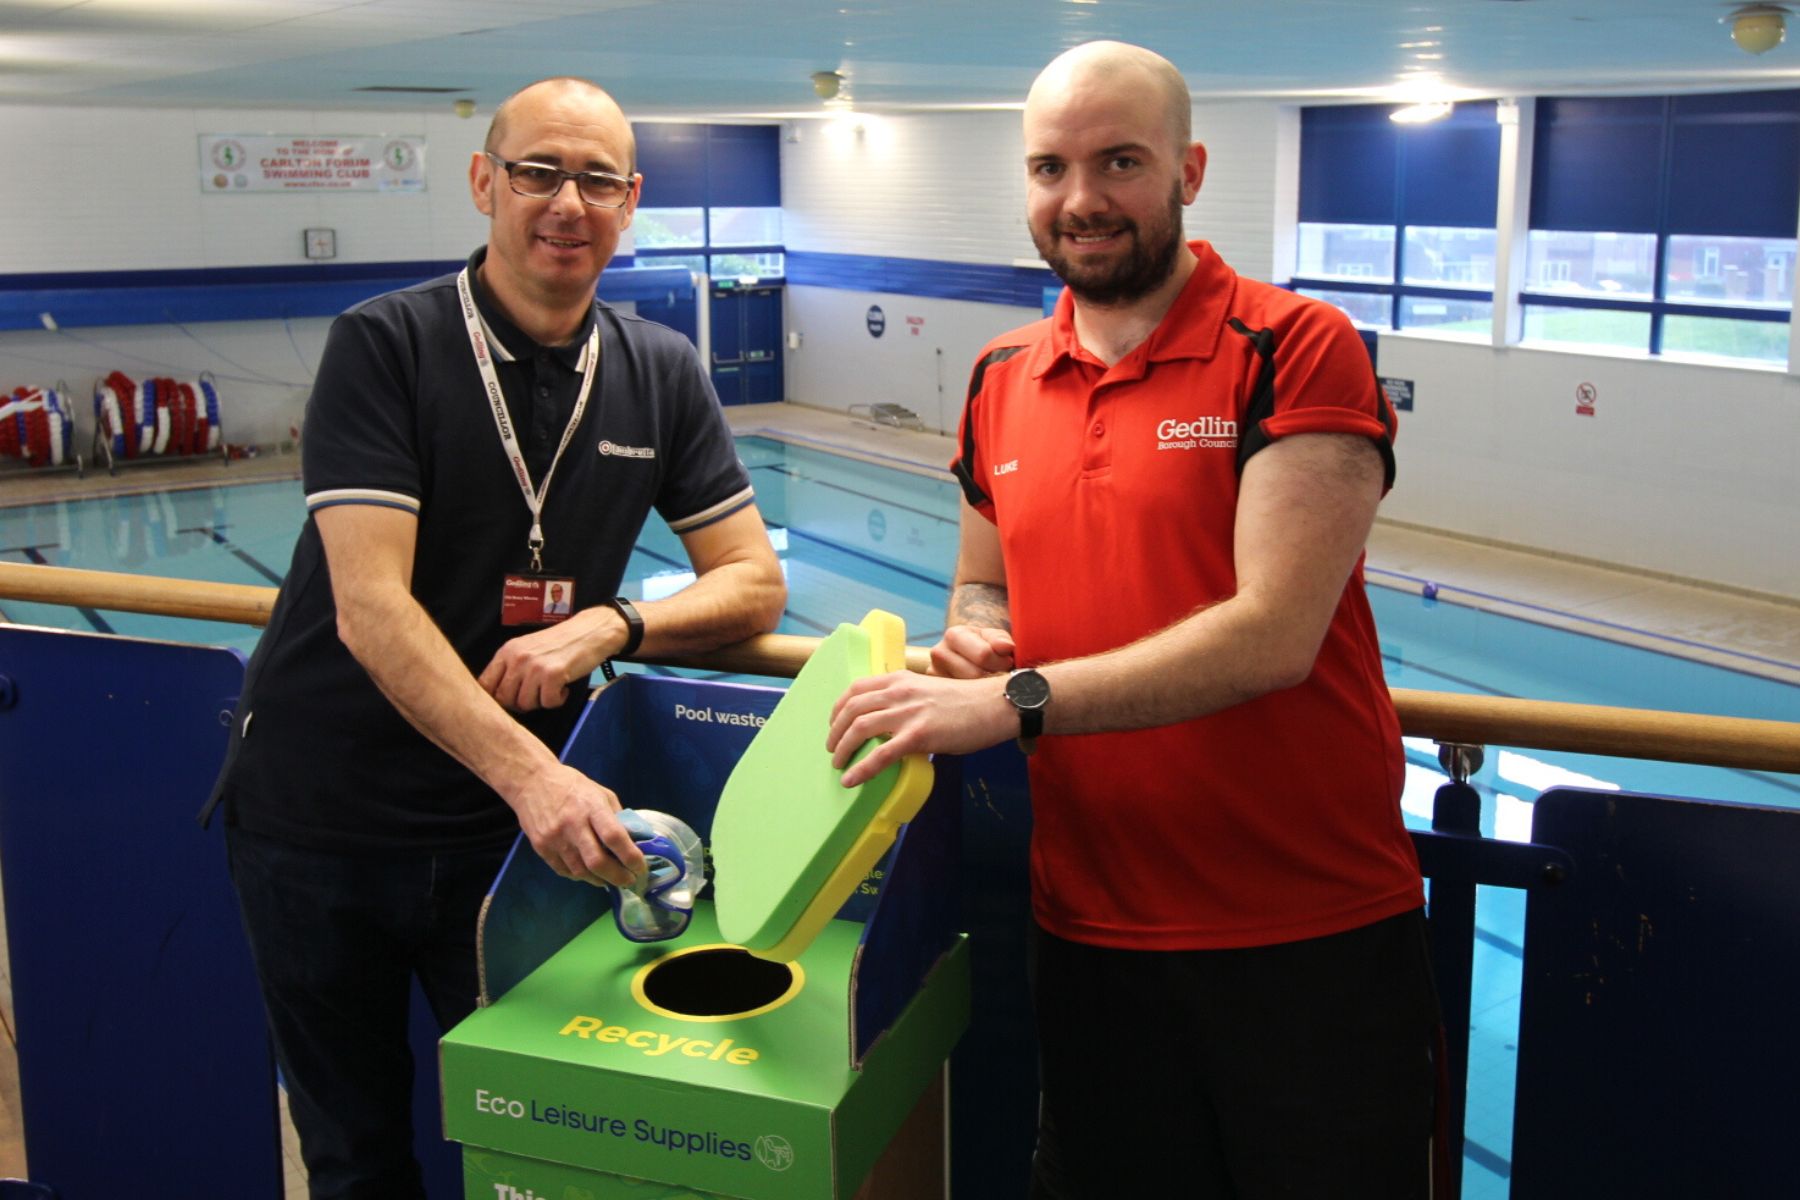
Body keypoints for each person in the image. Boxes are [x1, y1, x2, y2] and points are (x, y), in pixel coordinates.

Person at [826, 41, 1438, 1198]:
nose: (1081, 200)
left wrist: (1010, 701)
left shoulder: (1294, 346)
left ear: (1189, 170)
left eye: (1119, 162)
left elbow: (1273, 635)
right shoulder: (1003, 372)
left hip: (1305, 932)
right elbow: (982, 582)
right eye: (1051, 168)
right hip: (1094, 926)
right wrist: (977, 634)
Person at [204, 76, 786, 1198]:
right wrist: (537, 777)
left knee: (543, 1142)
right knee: (358, 1154)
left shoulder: (658, 368)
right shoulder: (388, 345)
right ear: (485, 182)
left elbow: (753, 581)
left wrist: (612, 624)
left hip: (506, 849)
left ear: (633, 201)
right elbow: (371, 606)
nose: (567, 203)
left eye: (598, 181)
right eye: (537, 172)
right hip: (325, 822)